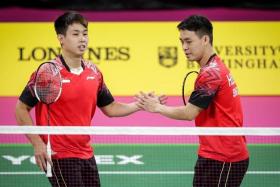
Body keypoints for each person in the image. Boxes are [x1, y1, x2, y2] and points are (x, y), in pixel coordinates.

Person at [15, 11, 145, 187]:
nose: (82, 39)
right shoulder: (48, 73)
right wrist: (37, 144)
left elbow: (111, 108)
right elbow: (21, 109)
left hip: (86, 154)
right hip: (58, 155)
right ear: (61, 38)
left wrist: (140, 104)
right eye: (75, 34)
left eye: (85, 34)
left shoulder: (94, 72)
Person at [137, 15, 249, 187]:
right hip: (211, 153)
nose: (184, 47)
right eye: (181, 41)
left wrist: (157, 107)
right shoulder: (214, 67)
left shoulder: (211, 74)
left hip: (225, 157)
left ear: (205, 39)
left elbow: (189, 113)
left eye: (188, 41)